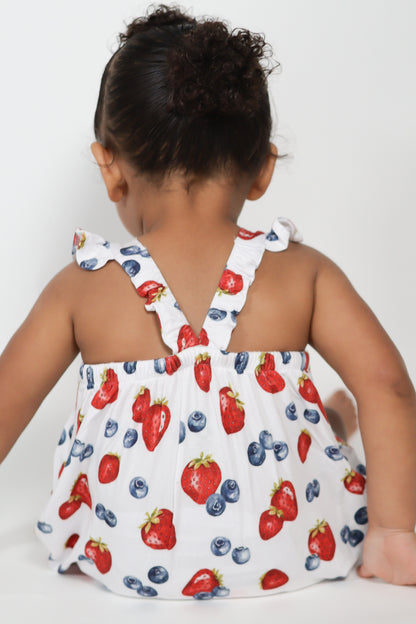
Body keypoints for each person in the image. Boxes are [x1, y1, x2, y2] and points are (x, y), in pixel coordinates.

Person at [1, 2, 415, 601]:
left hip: (125, 552)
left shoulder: (81, 287)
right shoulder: (304, 273)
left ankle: (328, 422)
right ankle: (329, 424)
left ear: (110, 168)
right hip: (293, 544)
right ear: (263, 169)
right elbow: (389, 387)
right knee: (311, 435)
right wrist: (394, 531)